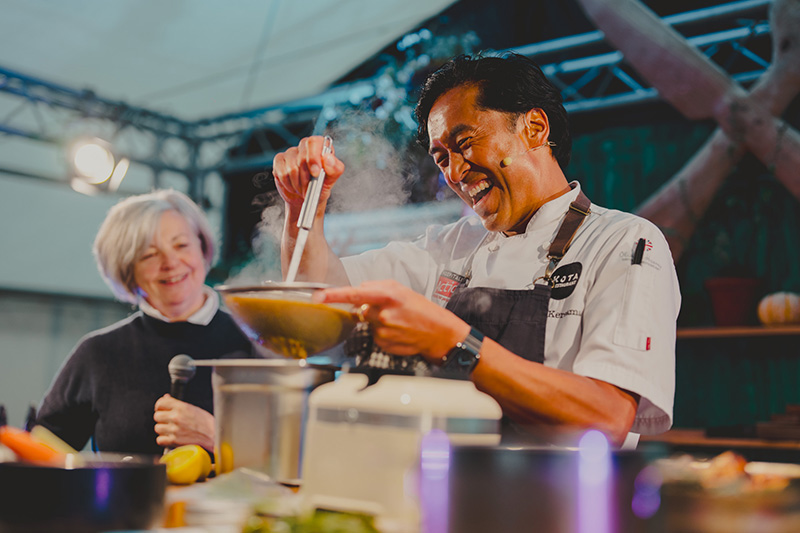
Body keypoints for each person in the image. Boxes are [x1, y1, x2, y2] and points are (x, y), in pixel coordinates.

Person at [272, 53, 680, 447]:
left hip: (554, 492)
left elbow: (608, 416)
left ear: (535, 128)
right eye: (441, 158)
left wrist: (454, 342)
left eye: (464, 142)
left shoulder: (623, 242)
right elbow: (318, 294)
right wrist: (302, 207)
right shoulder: (448, 247)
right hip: (445, 486)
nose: (454, 172)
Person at [37, 190, 254, 455]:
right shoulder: (99, 353)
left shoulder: (255, 339)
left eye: (181, 245)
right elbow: (39, 453)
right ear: (127, 271)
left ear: (202, 247)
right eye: (150, 254)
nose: (170, 263)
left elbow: (290, 450)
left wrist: (216, 435)